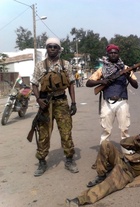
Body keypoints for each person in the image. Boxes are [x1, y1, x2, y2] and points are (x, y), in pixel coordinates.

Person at [66, 131, 140, 206]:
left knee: (107, 185)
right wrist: (138, 138)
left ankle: (80, 200)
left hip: (126, 173)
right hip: (121, 160)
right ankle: (101, 175)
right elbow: (123, 143)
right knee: (106, 144)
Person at [31, 37, 78, 176]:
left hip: (62, 102)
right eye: (50, 46)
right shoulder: (40, 65)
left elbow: (71, 85)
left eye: (55, 47)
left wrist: (74, 102)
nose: (52, 49)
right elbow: (34, 84)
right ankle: (42, 161)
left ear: (59, 49)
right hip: (45, 103)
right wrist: (38, 99)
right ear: (46, 48)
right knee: (44, 134)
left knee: (66, 132)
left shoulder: (66, 65)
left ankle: (69, 159)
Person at [86, 44, 138, 154]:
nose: (113, 54)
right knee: (106, 130)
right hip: (107, 102)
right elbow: (88, 83)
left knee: (124, 129)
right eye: (111, 52)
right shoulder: (102, 69)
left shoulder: (125, 68)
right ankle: (104, 152)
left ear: (118, 54)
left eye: (115, 52)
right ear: (108, 54)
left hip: (122, 102)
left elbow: (135, 85)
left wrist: (128, 75)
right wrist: (101, 81)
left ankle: (126, 149)